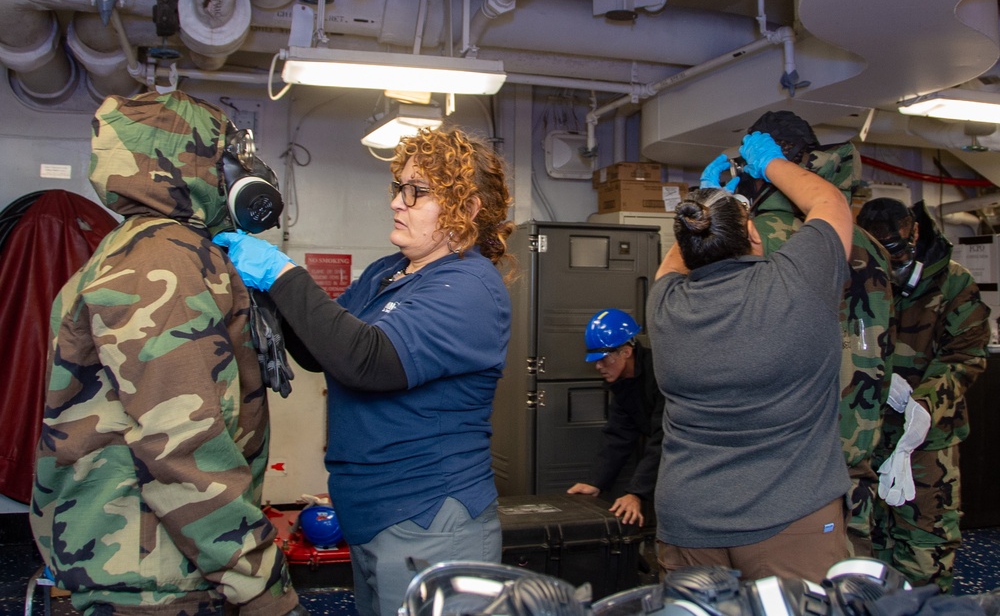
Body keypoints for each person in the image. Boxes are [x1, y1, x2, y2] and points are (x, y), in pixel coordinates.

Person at [213, 127, 516, 616]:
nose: (399, 202)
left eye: (418, 192)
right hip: (372, 514)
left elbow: (364, 360)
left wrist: (282, 273)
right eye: (399, 187)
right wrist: (269, 292)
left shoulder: (470, 288)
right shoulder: (388, 271)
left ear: (468, 209)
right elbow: (322, 351)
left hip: (430, 518)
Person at [30, 90, 305, 615]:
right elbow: (178, 442)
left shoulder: (145, 247)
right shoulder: (165, 261)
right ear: (186, 162)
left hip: (150, 559)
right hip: (158, 574)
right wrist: (260, 585)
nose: (236, 175)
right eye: (225, 159)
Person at [649, 129, 853, 583]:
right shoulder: (798, 282)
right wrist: (771, 164)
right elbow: (831, 204)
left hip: (688, 521)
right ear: (755, 236)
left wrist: (706, 201)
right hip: (791, 521)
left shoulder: (665, 305)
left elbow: (679, 257)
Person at [703, 110, 896, 558]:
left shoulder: (759, 237)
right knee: (851, 586)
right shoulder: (871, 244)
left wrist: (712, 208)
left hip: (784, 464)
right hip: (856, 446)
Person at [857, 198, 991, 592]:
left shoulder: (953, 283)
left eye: (894, 248)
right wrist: (880, 382)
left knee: (924, 546)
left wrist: (922, 402)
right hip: (868, 433)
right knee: (867, 547)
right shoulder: (860, 276)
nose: (888, 258)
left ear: (914, 233)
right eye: (876, 249)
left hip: (926, 441)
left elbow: (966, 354)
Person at [567, 309, 665, 527]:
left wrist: (636, 493)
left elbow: (664, 440)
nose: (598, 366)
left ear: (626, 352)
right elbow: (618, 436)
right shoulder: (623, 383)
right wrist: (596, 482)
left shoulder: (661, 374)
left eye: (603, 358)